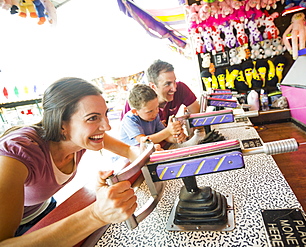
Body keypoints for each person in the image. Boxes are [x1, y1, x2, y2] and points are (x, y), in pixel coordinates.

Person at [0, 77, 141, 246]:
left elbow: (128, 150)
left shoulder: (80, 137)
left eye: (105, 114)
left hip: (45, 208)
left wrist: (154, 155)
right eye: (92, 118)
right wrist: (96, 215)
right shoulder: (17, 152)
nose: (107, 126)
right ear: (61, 124)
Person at [120, 59, 201, 126]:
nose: (174, 88)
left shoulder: (180, 88)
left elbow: (197, 114)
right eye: (167, 84)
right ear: (153, 86)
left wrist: (184, 123)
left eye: (174, 81)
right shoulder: (136, 99)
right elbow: (126, 134)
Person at [120, 84, 187, 146]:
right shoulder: (129, 120)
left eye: (157, 107)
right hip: (131, 156)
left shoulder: (154, 116)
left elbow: (164, 136)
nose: (156, 112)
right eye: (150, 111)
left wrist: (176, 138)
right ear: (135, 111)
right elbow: (144, 141)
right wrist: (168, 131)